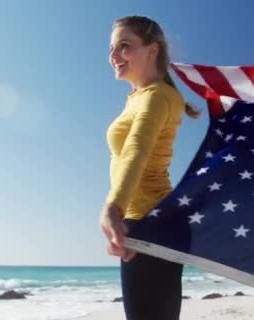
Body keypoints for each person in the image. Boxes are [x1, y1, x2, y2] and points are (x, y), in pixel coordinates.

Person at [99, 15, 201, 320]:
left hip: (151, 224)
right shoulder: (139, 97)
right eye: (112, 48)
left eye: (125, 46)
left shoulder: (156, 96)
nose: (114, 56)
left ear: (152, 50)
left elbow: (137, 150)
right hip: (146, 224)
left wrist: (113, 206)